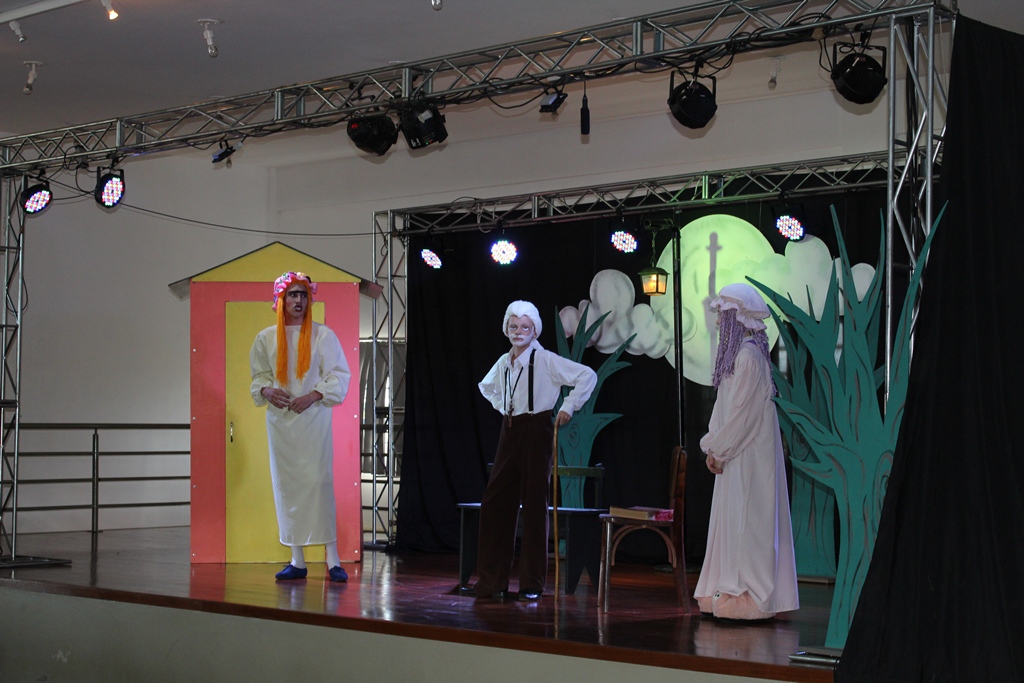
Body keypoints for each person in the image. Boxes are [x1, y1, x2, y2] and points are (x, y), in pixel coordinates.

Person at [463, 300, 597, 600]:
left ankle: (531, 584)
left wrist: (569, 406)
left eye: (525, 327)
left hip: (537, 428)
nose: (518, 332)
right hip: (510, 429)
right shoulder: (505, 362)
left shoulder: (545, 359)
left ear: (535, 330)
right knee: (495, 501)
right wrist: (505, 408)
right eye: (513, 326)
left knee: (535, 504)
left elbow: (587, 375)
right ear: (506, 329)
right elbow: (487, 387)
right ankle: (492, 580)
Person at [694, 282, 799, 620]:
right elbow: (724, 408)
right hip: (734, 453)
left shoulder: (749, 357)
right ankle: (723, 586)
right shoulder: (738, 357)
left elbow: (743, 415)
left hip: (749, 454)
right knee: (731, 520)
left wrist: (719, 449)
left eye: (723, 315)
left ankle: (748, 593)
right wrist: (713, 446)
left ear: (738, 318)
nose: (718, 322)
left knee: (747, 522)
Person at [250, 271, 352, 583]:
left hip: (314, 421)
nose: (298, 300)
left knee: (319, 483)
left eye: (303, 295)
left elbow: (338, 374)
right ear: (280, 300)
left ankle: (333, 560)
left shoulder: (323, 335)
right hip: (281, 424)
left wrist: (313, 395)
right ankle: (297, 560)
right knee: (287, 487)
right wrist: (267, 391)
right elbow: (259, 377)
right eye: (292, 294)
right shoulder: (266, 337)